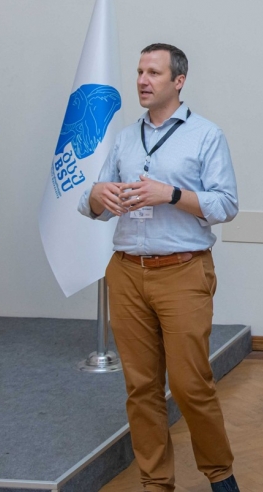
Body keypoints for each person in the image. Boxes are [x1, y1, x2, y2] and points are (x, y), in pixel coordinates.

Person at [78, 43, 241, 492]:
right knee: (141, 387)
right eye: (139, 72)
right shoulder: (125, 138)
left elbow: (226, 205)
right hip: (127, 272)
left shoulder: (206, 135)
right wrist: (96, 196)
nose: (142, 81)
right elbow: (91, 204)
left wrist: (170, 194)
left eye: (153, 72)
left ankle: (220, 475)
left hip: (183, 272)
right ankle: (156, 483)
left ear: (178, 81)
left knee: (190, 384)